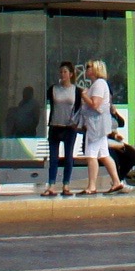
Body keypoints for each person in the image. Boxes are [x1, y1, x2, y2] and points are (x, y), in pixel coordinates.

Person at [80, 59, 125, 194]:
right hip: (97, 125)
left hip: (96, 126)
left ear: (95, 70)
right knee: (104, 154)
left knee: (91, 155)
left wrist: (83, 95)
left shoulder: (99, 84)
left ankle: (92, 186)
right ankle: (116, 181)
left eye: (89, 67)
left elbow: (95, 104)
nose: (87, 69)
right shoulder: (97, 84)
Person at [40, 63, 82, 195]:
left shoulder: (76, 91)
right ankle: (51, 185)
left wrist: (77, 123)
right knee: (54, 157)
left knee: (68, 156)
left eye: (65, 72)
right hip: (55, 126)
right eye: (61, 72)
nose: (62, 74)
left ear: (70, 74)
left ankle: (66, 185)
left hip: (69, 127)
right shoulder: (53, 89)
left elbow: (80, 109)